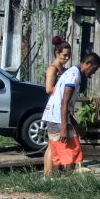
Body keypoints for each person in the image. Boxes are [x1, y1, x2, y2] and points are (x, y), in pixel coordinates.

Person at [41, 52, 100, 177]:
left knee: (60, 147)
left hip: (59, 116)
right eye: (94, 69)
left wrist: (74, 124)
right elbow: (64, 102)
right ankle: (49, 178)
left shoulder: (74, 73)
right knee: (56, 147)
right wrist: (64, 128)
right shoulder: (74, 75)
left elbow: (66, 105)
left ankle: (58, 177)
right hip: (56, 117)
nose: (93, 72)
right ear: (87, 63)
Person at [43, 37, 72, 172]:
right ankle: (48, 176)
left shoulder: (64, 70)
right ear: (57, 53)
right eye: (64, 55)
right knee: (52, 145)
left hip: (61, 110)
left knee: (58, 144)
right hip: (54, 111)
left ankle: (57, 172)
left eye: (69, 56)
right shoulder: (53, 69)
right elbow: (48, 89)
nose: (67, 58)